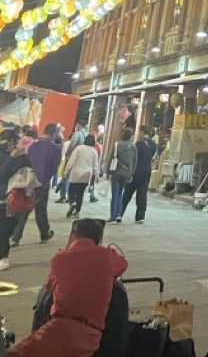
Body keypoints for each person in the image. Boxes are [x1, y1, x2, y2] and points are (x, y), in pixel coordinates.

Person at [7, 217, 128, 356]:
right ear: (99, 239)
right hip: (92, 337)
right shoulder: (108, 256)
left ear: (73, 235)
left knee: (14, 353)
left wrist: (66, 252)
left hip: (60, 329)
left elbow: (50, 286)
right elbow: (122, 265)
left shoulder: (60, 258)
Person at [13, 123, 60, 246]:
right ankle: (44, 234)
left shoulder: (34, 146)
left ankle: (15, 238)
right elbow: (54, 169)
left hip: (30, 182)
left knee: (24, 209)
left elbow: (27, 162)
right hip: (43, 183)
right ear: (54, 133)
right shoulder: (55, 149)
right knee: (41, 210)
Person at [0, 129, 30, 271]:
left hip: (12, 200)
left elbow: (28, 170)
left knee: (6, 230)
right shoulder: (7, 157)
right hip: (3, 199)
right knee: (4, 230)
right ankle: (3, 256)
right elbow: (1, 174)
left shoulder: (20, 157)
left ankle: (3, 257)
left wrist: (21, 156)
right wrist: (12, 157)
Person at [120, 127, 157, 223]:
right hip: (147, 171)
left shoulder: (138, 144)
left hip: (136, 171)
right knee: (142, 195)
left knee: (127, 193)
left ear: (142, 132)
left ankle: (120, 213)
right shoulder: (153, 144)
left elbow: (134, 158)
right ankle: (140, 216)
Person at [64, 135, 99, 218]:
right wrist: (97, 176)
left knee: (71, 191)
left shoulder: (78, 148)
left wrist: (66, 171)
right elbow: (95, 165)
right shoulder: (94, 151)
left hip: (76, 173)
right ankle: (77, 211)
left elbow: (71, 160)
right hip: (86, 174)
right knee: (80, 193)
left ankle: (73, 203)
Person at [108, 129, 137, 224]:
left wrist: (108, 172)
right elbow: (135, 162)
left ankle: (113, 215)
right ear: (131, 136)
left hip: (116, 171)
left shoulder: (117, 145)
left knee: (115, 193)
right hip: (127, 173)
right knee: (120, 193)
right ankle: (119, 214)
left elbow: (111, 159)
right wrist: (131, 174)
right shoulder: (133, 147)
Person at [56, 129, 85, 203]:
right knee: (70, 180)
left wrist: (65, 156)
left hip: (66, 160)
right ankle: (69, 196)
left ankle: (63, 196)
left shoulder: (66, 143)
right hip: (76, 164)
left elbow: (63, 152)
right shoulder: (79, 147)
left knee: (65, 178)